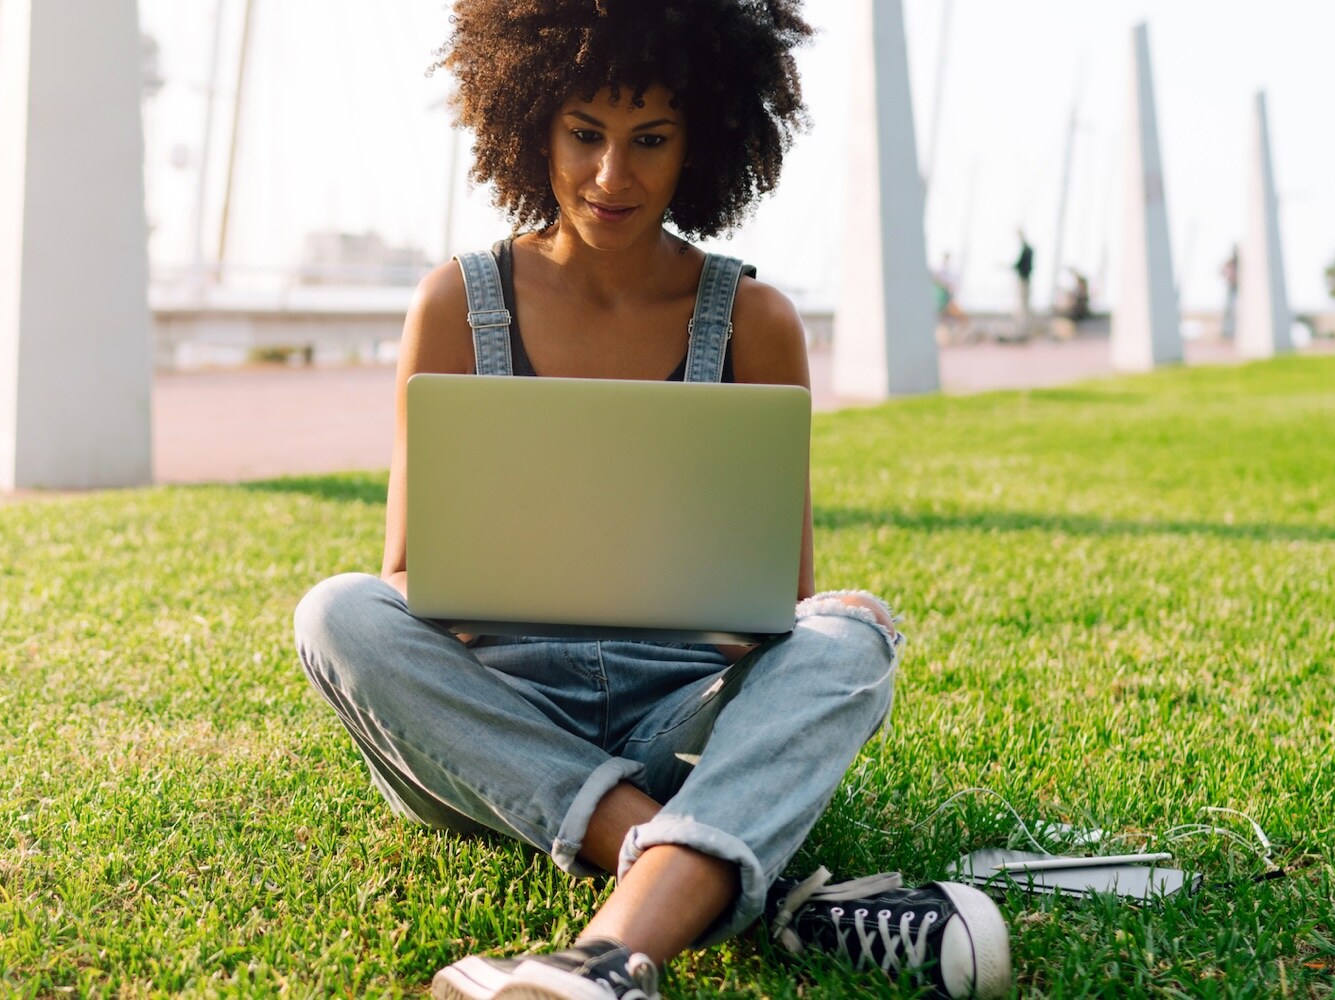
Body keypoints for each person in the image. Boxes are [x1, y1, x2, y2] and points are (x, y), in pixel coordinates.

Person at [291, 2, 1010, 998]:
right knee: (337, 611)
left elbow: (782, 603)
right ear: (532, 120)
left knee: (852, 634)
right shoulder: (456, 304)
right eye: (584, 134)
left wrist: (754, 621)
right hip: (495, 724)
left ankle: (607, 956)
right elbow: (410, 578)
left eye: (650, 141)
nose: (610, 177)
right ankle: (712, 870)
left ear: (700, 143)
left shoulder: (756, 323)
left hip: (681, 724)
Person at [1010, 230, 1035, 341]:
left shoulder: (1026, 250)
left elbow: (1019, 265)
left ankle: (1023, 331)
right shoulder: (1028, 249)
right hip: (1026, 280)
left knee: (1023, 307)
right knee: (1024, 306)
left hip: (1024, 280)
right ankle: (1023, 330)